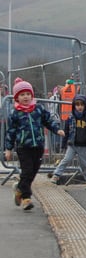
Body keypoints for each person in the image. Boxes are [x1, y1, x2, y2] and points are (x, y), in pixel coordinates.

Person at [5, 78, 65, 210]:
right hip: (23, 147)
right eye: (22, 95)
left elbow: (48, 120)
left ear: (31, 95)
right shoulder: (15, 113)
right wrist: (8, 149)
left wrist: (57, 129)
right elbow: (11, 132)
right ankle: (26, 198)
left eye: (27, 94)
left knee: (33, 171)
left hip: (38, 145)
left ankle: (19, 188)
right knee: (27, 171)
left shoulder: (38, 109)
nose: (25, 97)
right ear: (17, 97)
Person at [50, 95, 86, 188]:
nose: (79, 107)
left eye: (82, 105)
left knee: (85, 164)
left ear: (85, 106)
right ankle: (56, 175)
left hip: (84, 145)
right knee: (66, 159)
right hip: (72, 144)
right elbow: (66, 131)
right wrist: (63, 144)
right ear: (74, 106)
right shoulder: (70, 118)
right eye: (77, 105)